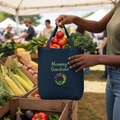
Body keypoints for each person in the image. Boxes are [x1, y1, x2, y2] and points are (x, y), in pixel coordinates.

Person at [56, 1, 120, 120]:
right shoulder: (119, 5)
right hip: (112, 76)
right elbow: (99, 25)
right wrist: (74, 18)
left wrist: (98, 58)